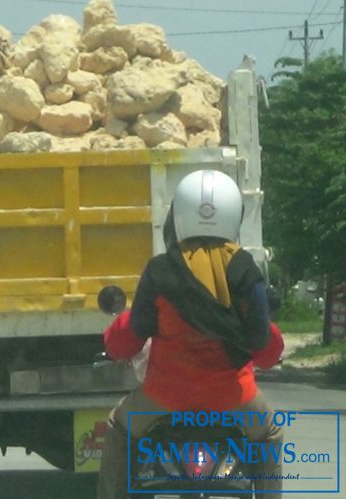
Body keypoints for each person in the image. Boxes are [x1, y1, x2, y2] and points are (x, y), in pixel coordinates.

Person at [96, 170, 285, 498]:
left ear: (178, 216)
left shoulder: (159, 270)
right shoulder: (245, 270)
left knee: (118, 426)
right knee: (269, 434)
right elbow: (265, 351)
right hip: (234, 398)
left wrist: (113, 340)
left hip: (164, 397)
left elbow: (127, 340)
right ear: (232, 215)